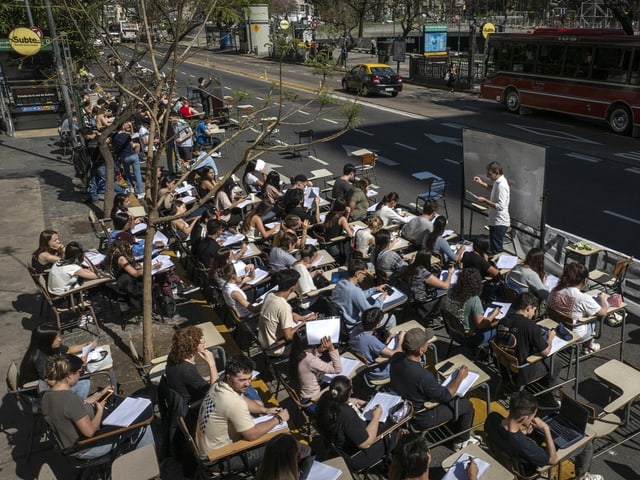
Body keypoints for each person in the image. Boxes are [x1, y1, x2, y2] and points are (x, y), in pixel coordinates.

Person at [42, 354, 154, 459]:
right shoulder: (70, 400)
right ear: (69, 375)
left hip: (67, 445)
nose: (82, 374)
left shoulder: (47, 396)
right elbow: (90, 432)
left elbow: (77, 407)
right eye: (80, 372)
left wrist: (99, 395)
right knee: (143, 424)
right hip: (86, 448)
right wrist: (99, 409)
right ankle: (148, 461)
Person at [390, 328, 479, 451]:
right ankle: (462, 441)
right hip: (422, 418)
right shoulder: (423, 376)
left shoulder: (396, 358)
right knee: (467, 405)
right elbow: (446, 395)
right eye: (426, 342)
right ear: (421, 350)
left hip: (402, 407)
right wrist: (460, 376)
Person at [196, 354, 289, 468]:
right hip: (218, 459)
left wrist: (265, 410)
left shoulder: (219, 384)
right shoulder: (233, 402)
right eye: (242, 380)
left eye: (249, 378)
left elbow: (243, 398)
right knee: (283, 446)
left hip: (205, 447)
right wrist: (278, 419)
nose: (247, 383)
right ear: (229, 378)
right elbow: (252, 435)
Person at [484, 391, 603, 480]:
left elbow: (507, 435)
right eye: (533, 416)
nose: (534, 418)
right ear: (524, 418)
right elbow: (552, 460)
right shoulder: (524, 445)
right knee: (586, 444)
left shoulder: (492, 418)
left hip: (507, 457)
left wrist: (525, 432)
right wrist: (546, 429)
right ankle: (581, 477)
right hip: (531, 471)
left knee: (540, 437)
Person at [496, 293, 560, 408]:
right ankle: (547, 397)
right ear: (528, 308)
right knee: (556, 362)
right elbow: (545, 351)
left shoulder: (503, 321)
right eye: (534, 310)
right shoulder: (530, 325)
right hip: (521, 372)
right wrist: (550, 337)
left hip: (504, 368)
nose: (534, 314)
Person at [315, 375, 388, 471]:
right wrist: (376, 417)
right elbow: (365, 444)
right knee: (393, 430)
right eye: (351, 390)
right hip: (355, 456)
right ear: (348, 392)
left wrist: (354, 401)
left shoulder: (325, 398)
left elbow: (338, 401)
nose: (353, 392)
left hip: (337, 448)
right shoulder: (347, 415)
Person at [18, 322, 95, 397]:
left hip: (52, 381)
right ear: (46, 340)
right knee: (84, 383)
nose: (60, 339)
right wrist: (77, 370)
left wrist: (86, 345)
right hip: (39, 391)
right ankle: (77, 407)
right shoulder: (40, 359)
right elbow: (52, 382)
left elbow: (69, 350)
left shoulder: (51, 346)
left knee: (81, 376)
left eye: (59, 336)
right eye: (56, 338)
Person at [547, 262, 606, 352]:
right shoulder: (583, 298)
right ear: (585, 280)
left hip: (554, 327)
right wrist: (602, 299)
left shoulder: (555, 289)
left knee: (582, 313)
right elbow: (603, 312)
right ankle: (588, 345)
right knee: (592, 317)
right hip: (575, 334)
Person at [258, 269, 317, 356]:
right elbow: (288, 336)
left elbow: (275, 312)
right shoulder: (284, 306)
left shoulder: (270, 294)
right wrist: (305, 322)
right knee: (311, 333)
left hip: (264, 341)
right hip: (276, 348)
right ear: (292, 287)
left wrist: (292, 314)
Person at [331, 258, 394, 333]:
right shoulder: (355, 291)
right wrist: (380, 299)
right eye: (364, 274)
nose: (365, 277)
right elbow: (372, 313)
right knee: (391, 318)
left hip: (343, 322)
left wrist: (374, 289)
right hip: (354, 326)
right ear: (358, 274)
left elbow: (357, 295)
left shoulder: (341, 283)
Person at [442, 268, 500, 348]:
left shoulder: (451, 291)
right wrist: (494, 314)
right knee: (499, 327)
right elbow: (481, 325)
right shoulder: (474, 300)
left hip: (453, 331)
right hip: (469, 338)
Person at [105, 232, 162, 312]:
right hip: (128, 283)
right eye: (131, 244)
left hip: (125, 279)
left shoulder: (116, 252)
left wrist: (142, 266)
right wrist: (152, 267)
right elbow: (135, 273)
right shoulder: (121, 258)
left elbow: (133, 266)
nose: (132, 247)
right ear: (124, 245)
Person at [165, 326, 219, 406]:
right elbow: (215, 392)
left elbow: (186, 379)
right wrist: (212, 364)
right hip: (194, 404)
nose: (203, 341)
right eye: (199, 341)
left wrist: (203, 379)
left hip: (180, 393)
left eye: (201, 337)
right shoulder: (187, 370)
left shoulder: (173, 355)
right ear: (191, 346)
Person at [389, 433, 478, 480]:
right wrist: (473, 477)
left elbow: (394, 470)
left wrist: (400, 446)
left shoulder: (396, 475)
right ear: (429, 456)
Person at [349, 307, 406, 381]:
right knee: (407, 353)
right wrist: (401, 338)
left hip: (366, 368)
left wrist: (389, 339)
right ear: (377, 325)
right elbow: (396, 354)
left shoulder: (355, 330)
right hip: (378, 371)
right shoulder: (370, 339)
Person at [289, 329, 342, 408]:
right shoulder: (310, 360)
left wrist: (317, 351)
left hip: (305, 394)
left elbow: (307, 361)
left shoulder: (296, 353)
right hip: (313, 400)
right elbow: (337, 369)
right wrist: (331, 348)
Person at [404, 250, 454, 320]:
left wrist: (412, 260)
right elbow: (445, 286)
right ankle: (439, 311)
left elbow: (412, 263)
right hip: (423, 300)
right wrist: (450, 274)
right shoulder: (424, 273)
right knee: (449, 289)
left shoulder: (410, 267)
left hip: (412, 297)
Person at [473, 161, 511, 254]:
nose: (487, 176)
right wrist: (481, 183)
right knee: (494, 246)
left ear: (497, 173)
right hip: (495, 220)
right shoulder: (497, 182)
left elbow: (500, 206)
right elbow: (493, 189)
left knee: (496, 249)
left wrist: (484, 200)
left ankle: (498, 266)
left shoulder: (502, 185)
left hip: (500, 221)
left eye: (489, 174)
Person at [111, 120, 144, 198]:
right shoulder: (127, 135)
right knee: (137, 173)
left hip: (124, 157)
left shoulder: (113, 136)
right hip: (132, 155)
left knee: (127, 172)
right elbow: (131, 144)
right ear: (122, 126)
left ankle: (131, 187)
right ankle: (140, 192)